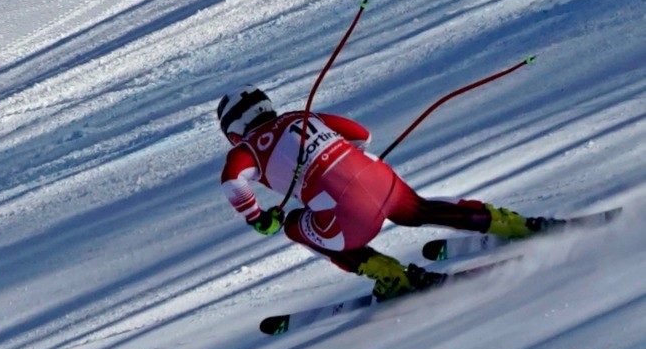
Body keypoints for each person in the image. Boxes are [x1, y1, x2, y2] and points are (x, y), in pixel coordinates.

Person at [215, 87, 538, 299]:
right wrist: (341, 160)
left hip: (347, 215)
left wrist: (259, 219)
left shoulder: (247, 149)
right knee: (419, 210)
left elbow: (233, 182)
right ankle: (509, 223)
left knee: (294, 226)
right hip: (380, 179)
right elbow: (362, 134)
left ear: (234, 130)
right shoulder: (304, 116)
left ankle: (392, 276)